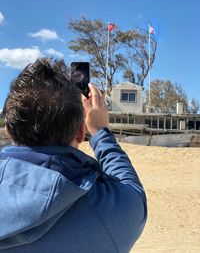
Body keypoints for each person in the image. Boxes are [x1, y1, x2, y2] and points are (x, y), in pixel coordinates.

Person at [0, 58, 147, 253]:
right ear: (80, 132)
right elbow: (131, 189)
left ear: (8, 130)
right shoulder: (114, 213)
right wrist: (100, 131)